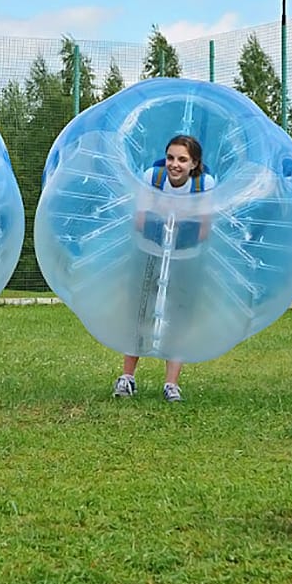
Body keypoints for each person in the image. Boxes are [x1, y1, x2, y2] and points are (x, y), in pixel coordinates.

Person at [114, 134, 216, 403]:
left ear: (194, 163)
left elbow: (204, 229)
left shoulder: (204, 183)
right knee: (139, 310)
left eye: (183, 159)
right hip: (151, 248)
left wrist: (179, 229)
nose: (175, 164)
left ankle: (171, 384)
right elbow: (140, 220)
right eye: (171, 157)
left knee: (178, 314)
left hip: (186, 253)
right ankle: (127, 377)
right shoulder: (153, 177)